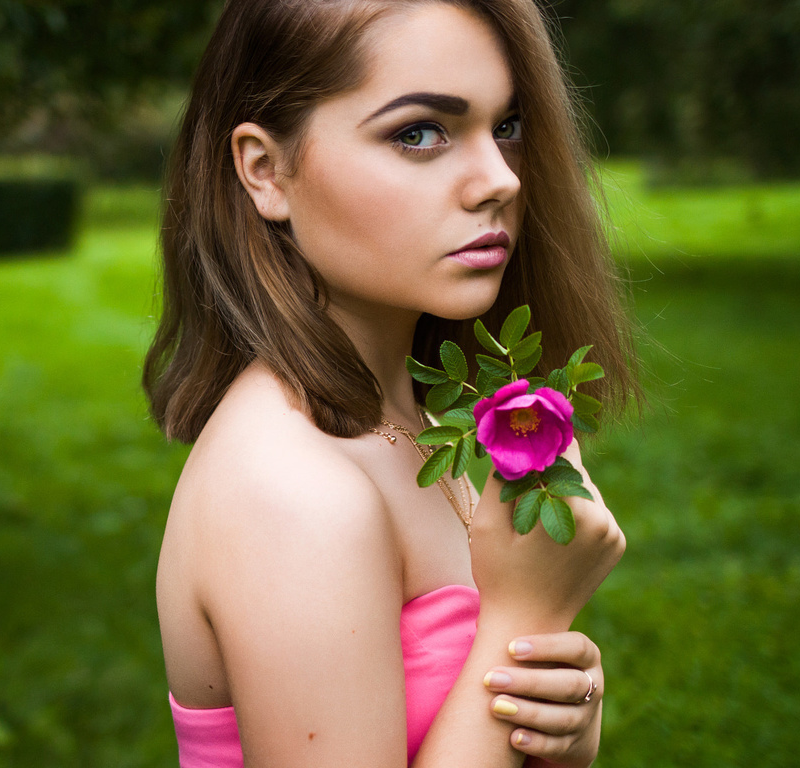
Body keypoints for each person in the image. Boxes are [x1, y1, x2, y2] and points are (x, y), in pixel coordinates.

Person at [143, 0, 636, 765]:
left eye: (505, 126)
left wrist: (555, 728)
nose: (497, 179)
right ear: (265, 171)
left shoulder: (425, 418)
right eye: (419, 133)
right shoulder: (291, 492)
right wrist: (526, 609)